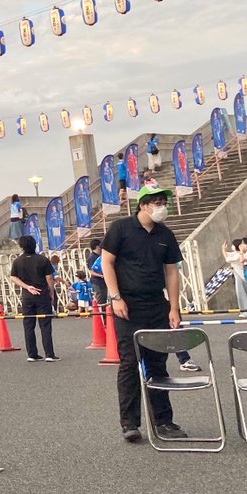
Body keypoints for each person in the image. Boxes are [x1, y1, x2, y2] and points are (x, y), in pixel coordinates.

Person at [101, 184, 187, 443]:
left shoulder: (165, 234)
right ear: (143, 205)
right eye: (157, 202)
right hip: (127, 304)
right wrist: (115, 297)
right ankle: (129, 423)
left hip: (157, 304)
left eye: (164, 202)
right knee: (130, 362)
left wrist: (174, 307)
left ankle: (164, 421)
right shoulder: (121, 228)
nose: (162, 207)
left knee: (158, 362)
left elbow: (171, 271)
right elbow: (107, 262)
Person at [8, 235, 58, 362]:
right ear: (35, 245)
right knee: (45, 325)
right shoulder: (42, 260)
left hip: (27, 296)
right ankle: (49, 354)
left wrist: (27, 287)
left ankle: (32, 354)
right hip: (42, 295)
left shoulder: (17, 261)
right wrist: (51, 292)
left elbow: (13, 277)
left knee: (28, 325)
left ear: (21, 246)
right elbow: (49, 277)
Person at [222, 238, 247, 316]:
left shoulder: (239, 255)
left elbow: (227, 259)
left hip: (240, 276)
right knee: (244, 293)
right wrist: (224, 250)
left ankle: (246, 312)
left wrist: (223, 249)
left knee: (241, 294)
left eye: (233, 245)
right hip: (239, 275)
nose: (232, 246)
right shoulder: (237, 253)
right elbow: (228, 255)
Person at [88, 239, 108, 308]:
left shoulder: (99, 256)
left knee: (104, 298)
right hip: (97, 281)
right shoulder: (92, 257)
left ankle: (103, 312)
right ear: (97, 246)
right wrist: (101, 275)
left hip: (102, 281)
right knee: (100, 298)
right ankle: (99, 313)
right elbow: (91, 271)